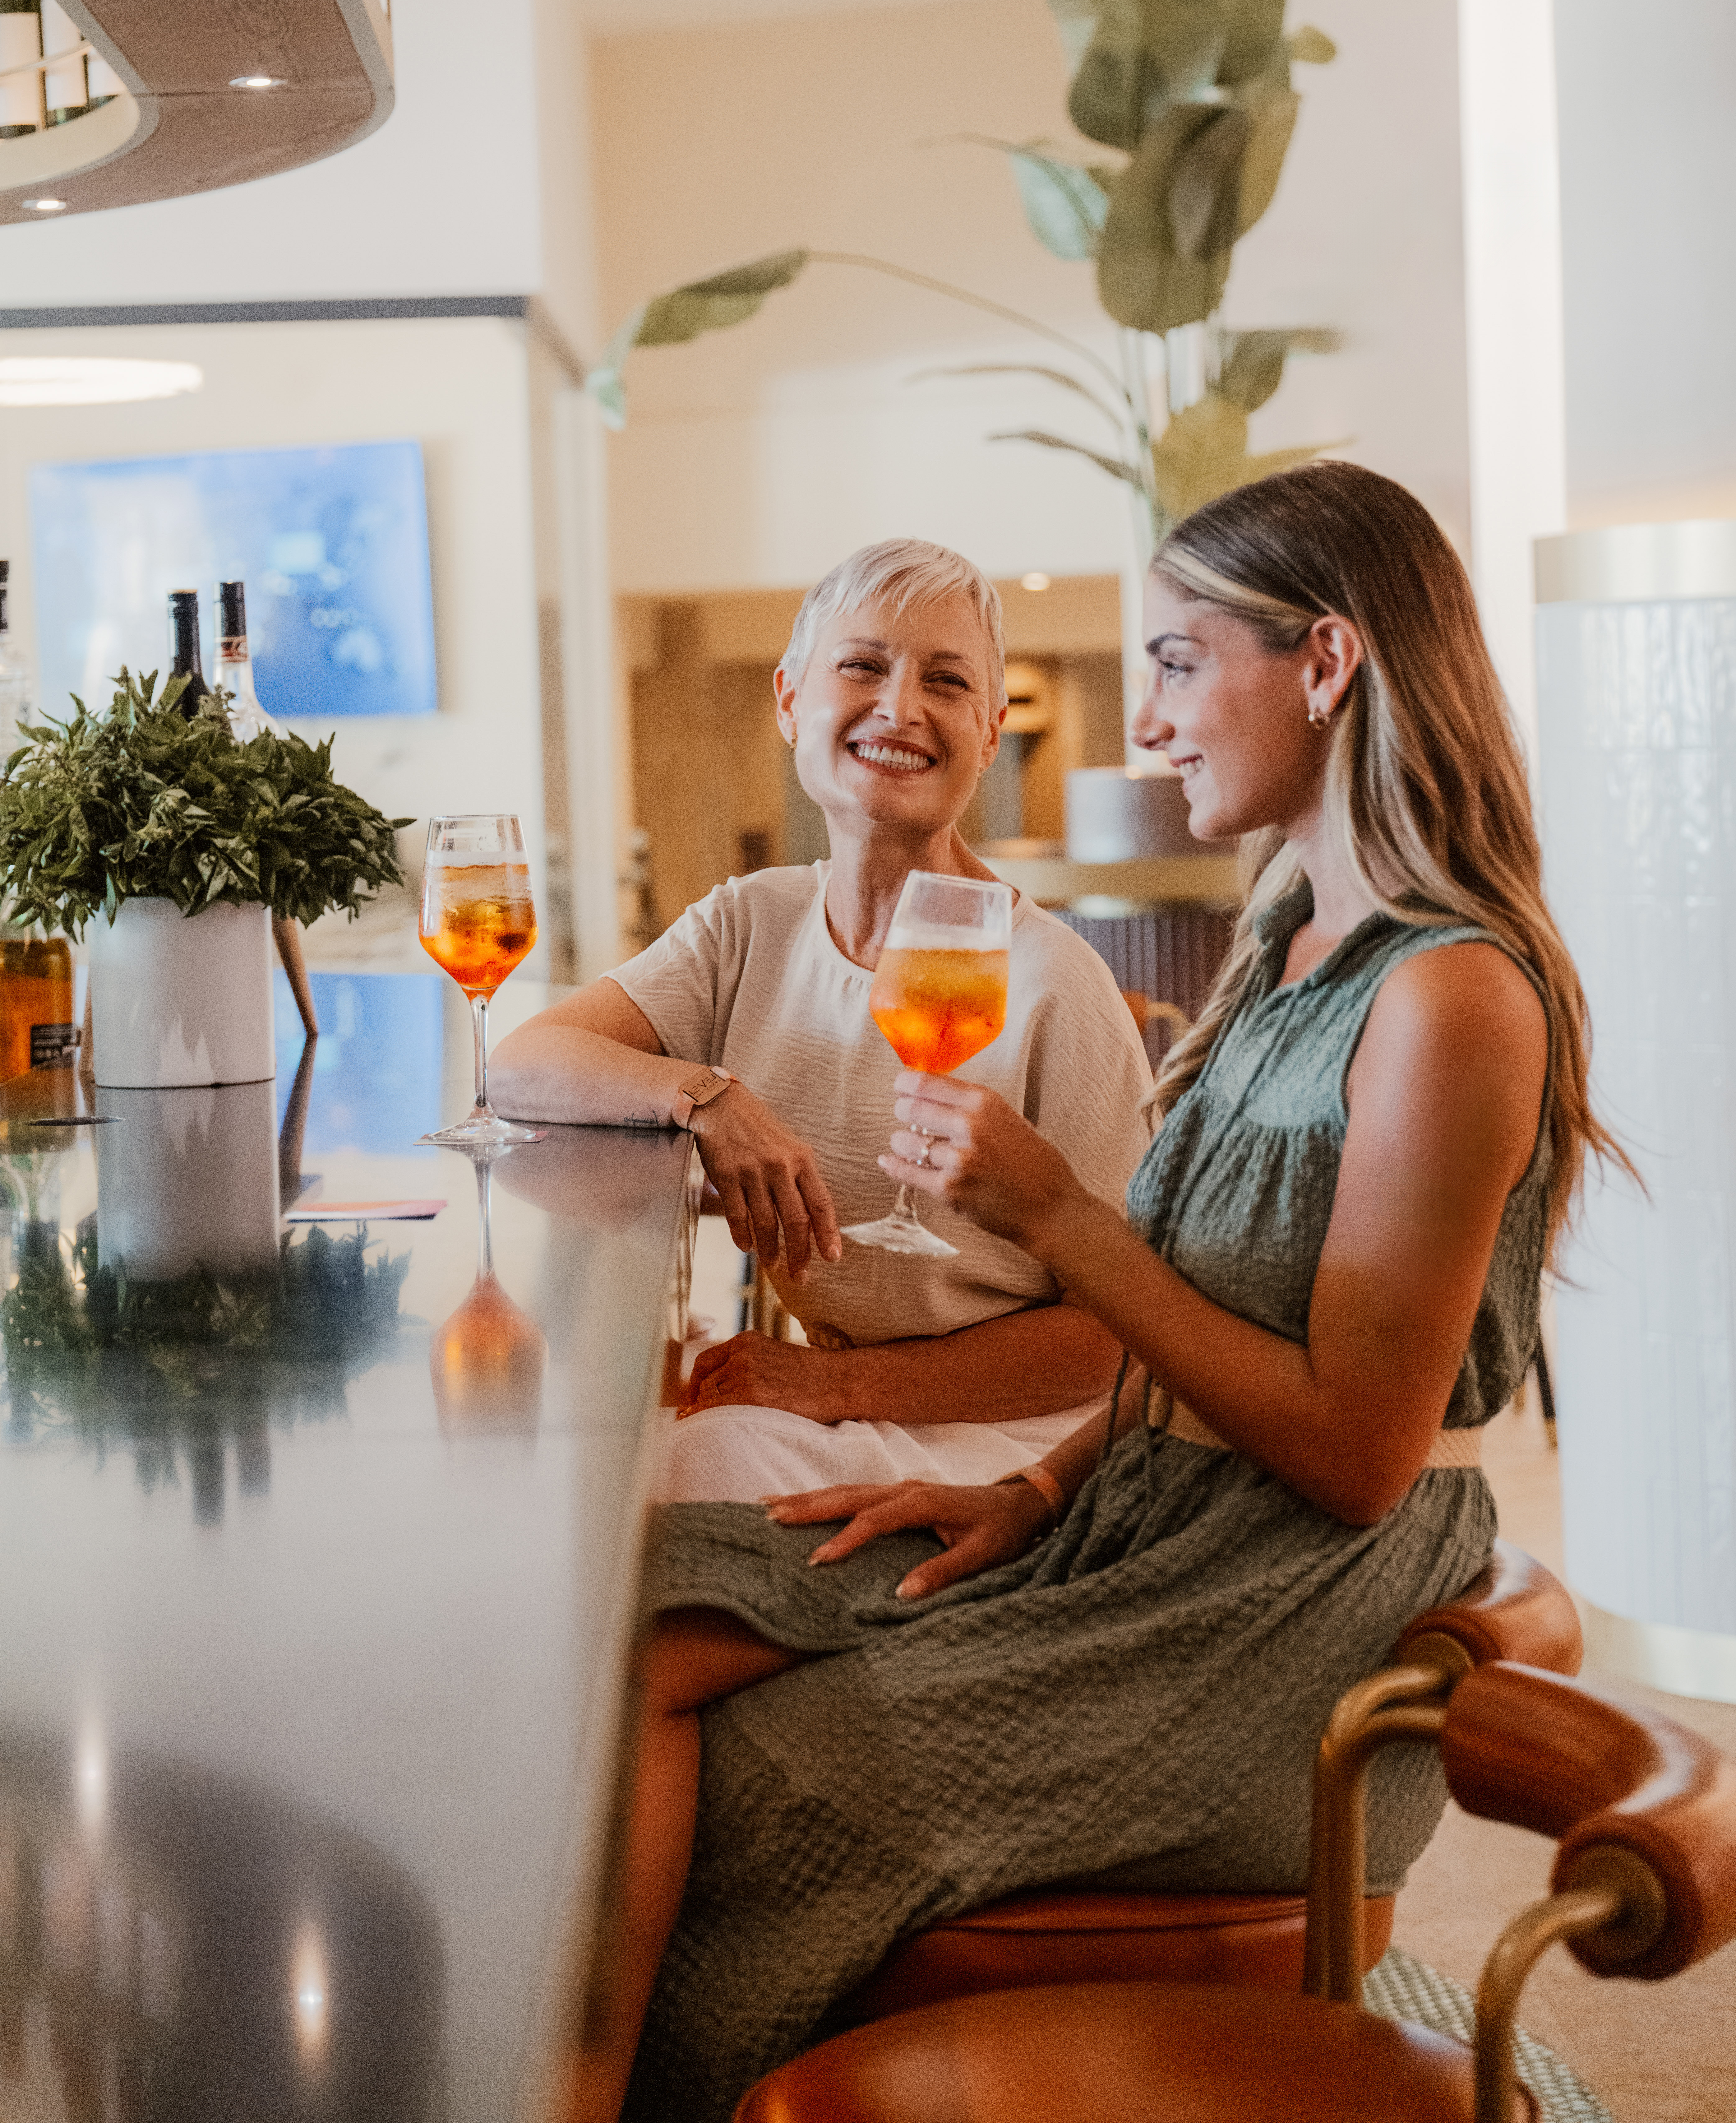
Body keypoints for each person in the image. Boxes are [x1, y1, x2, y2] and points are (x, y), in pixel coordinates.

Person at [574, 462, 1630, 2123]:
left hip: (1279, 1612)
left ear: (1328, 665)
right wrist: (1045, 1492)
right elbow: (1193, 1332)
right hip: (1139, 1525)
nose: (1150, 724)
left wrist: (1056, 1216)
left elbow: (1356, 1454)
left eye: (1177, 661)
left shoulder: (1454, 1003)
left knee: (756, 1777)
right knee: (632, 1621)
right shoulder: (1290, 950)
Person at [489, 539, 1153, 1504]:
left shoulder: (1057, 985)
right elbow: (522, 1061)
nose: (902, 707)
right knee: (577, 1453)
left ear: (991, 729)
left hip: (1017, 1445)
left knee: (662, 1485)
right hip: (850, 1412)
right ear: (791, 700)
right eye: (863, 666)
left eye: (948, 681)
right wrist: (707, 1100)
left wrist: (838, 1383)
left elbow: (1114, 1339)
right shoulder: (749, 923)